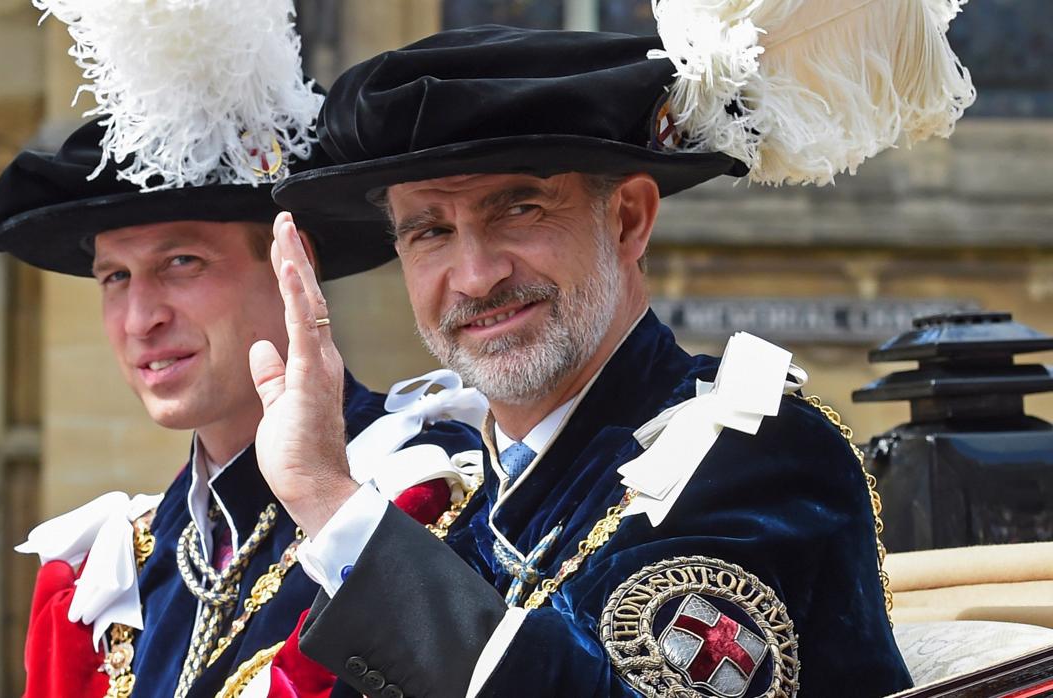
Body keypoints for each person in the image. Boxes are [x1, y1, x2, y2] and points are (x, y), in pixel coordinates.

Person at [253, 9, 976, 698]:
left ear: (628, 218)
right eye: (429, 232)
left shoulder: (760, 460)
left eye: (519, 208)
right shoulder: (455, 507)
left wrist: (329, 499)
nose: (475, 277)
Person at [0, 4, 484, 697]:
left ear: (290, 266)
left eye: (181, 263)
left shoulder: (421, 493)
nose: (141, 317)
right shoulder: (96, 579)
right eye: (115, 277)